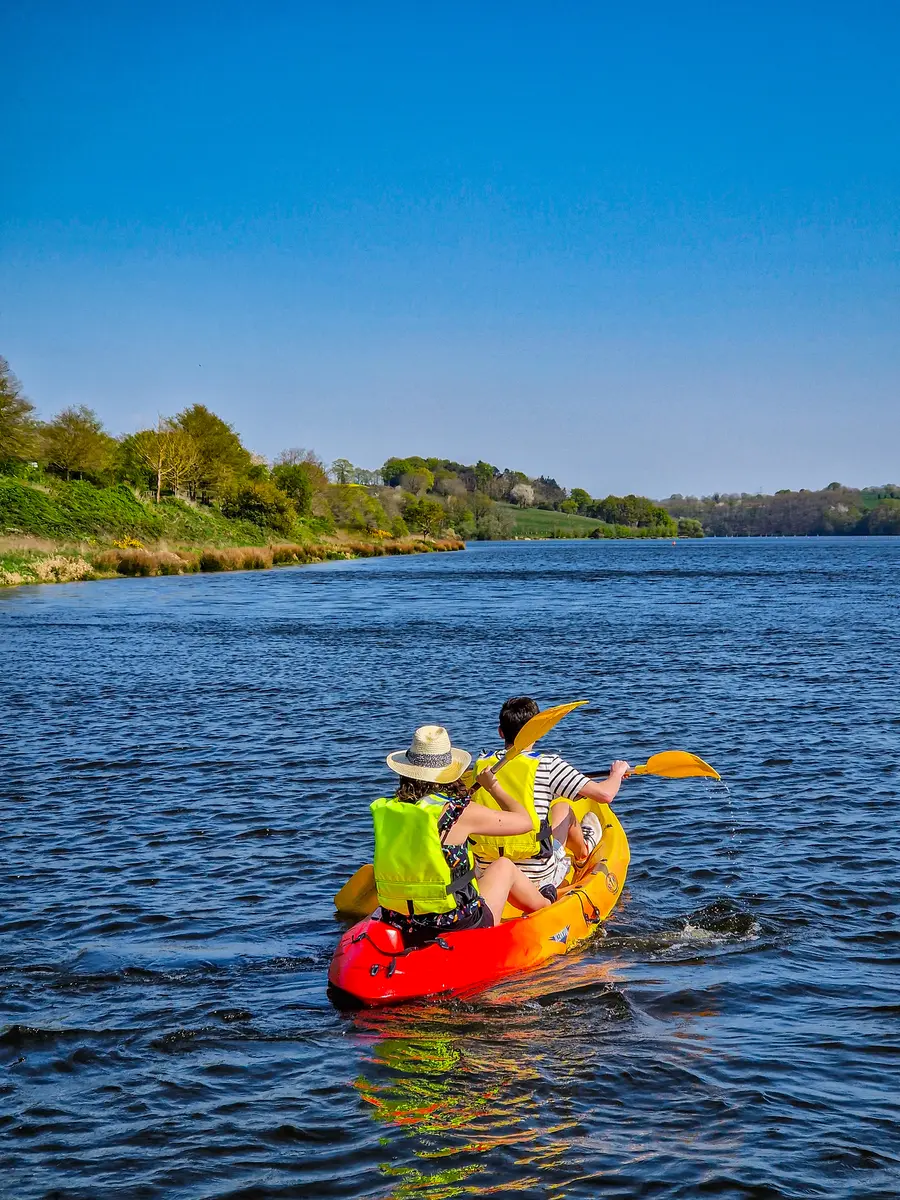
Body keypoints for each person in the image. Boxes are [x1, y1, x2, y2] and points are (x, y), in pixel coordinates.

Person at [371, 724, 552, 940]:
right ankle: (546, 905)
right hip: (456, 924)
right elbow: (526, 822)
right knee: (504, 866)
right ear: (448, 772)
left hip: (401, 920)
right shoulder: (458, 812)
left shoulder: (389, 809)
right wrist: (493, 787)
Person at [467, 696, 630, 897]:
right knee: (564, 808)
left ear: (501, 732)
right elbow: (605, 794)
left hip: (487, 870)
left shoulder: (481, 764)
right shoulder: (548, 764)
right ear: (538, 732)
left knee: (558, 806)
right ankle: (583, 853)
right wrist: (617, 774)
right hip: (536, 876)